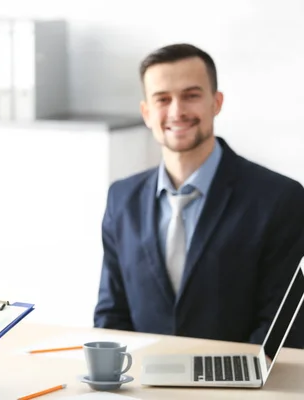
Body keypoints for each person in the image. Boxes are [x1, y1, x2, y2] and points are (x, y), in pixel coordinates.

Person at [93, 43, 304, 348]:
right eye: (162, 99)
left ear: (215, 102)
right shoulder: (122, 198)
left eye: (191, 96)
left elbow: (284, 325)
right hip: (142, 387)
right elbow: (111, 315)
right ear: (146, 112)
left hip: (240, 388)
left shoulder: (280, 198)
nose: (177, 111)